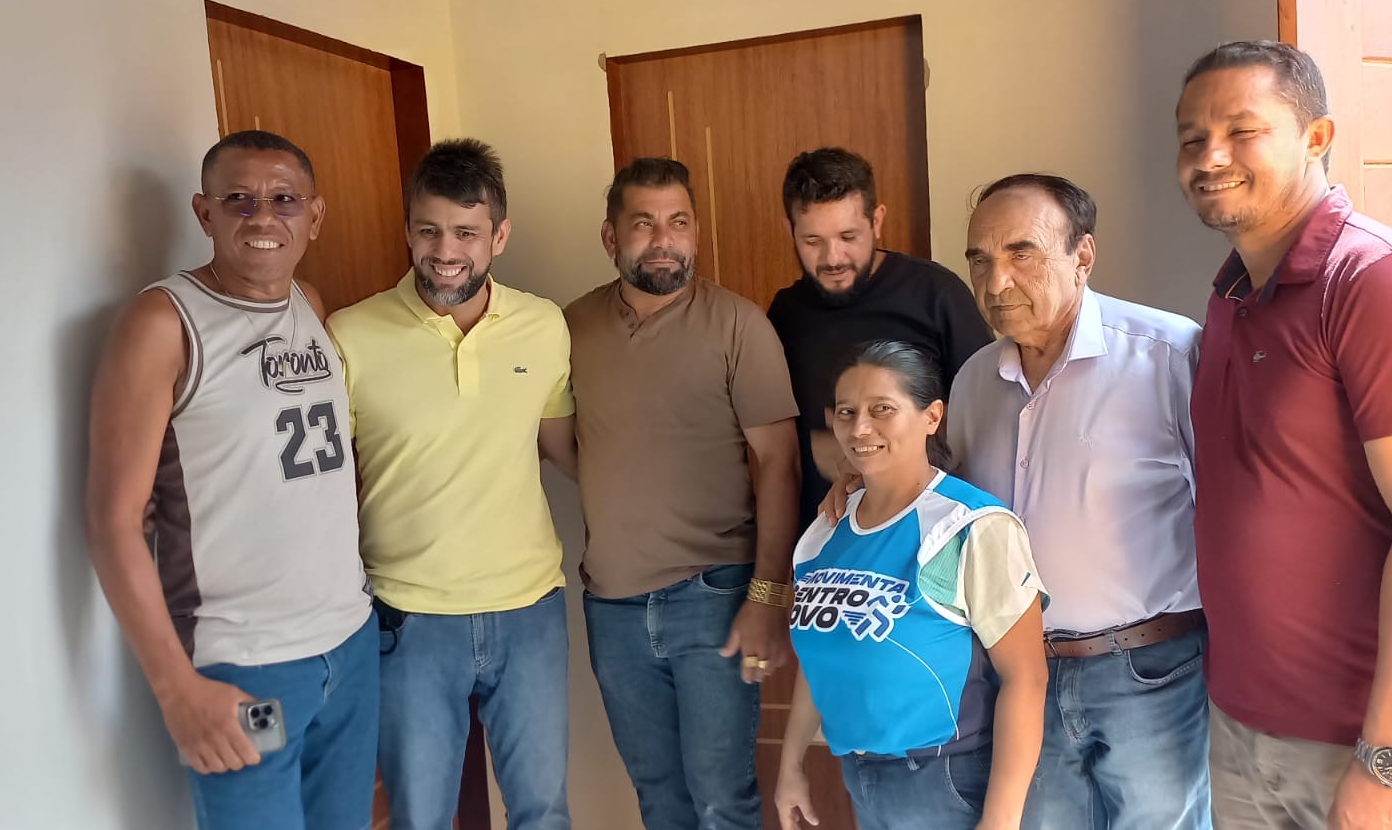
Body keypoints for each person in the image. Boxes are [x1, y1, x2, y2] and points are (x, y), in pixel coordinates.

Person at [1176, 39, 1392, 828]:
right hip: (1246, 731)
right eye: (1191, 138)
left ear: (1316, 137)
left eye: (1242, 131)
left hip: (1377, 743)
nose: (1210, 156)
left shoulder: (1382, 281)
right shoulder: (1230, 297)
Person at [85, 130, 377, 830]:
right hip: (248, 667)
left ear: (315, 215)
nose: (262, 217)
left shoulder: (308, 302)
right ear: (204, 212)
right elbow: (113, 521)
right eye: (239, 200)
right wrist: (175, 689)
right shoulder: (164, 322)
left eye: (284, 200)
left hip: (349, 648)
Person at [326, 139, 576, 830]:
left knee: (544, 813)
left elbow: (566, 448)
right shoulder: (350, 334)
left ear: (500, 235)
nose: (446, 251)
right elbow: (323, 480)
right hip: (408, 617)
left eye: (466, 232)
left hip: (529, 608)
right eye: (429, 230)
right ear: (408, 231)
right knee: (421, 818)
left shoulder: (543, 325)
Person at [954, 174, 1209, 829]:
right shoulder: (974, 381)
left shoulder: (1167, 354)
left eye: (1022, 253)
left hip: (1151, 673)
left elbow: (1233, 509)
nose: (996, 281)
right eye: (980, 260)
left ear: (1083, 255)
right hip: (1022, 679)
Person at [563, 156, 801, 830]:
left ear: (696, 231)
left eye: (679, 222)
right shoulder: (571, 327)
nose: (663, 239)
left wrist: (767, 596)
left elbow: (779, 463)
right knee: (659, 799)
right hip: (612, 604)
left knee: (723, 800)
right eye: (644, 223)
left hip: (714, 597)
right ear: (611, 237)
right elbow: (563, 443)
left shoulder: (738, 325)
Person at [775, 340, 1048, 830]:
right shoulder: (825, 531)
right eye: (846, 412)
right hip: (860, 775)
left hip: (946, 780)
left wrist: (1000, 822)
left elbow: (1026, 679)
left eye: (882, 409)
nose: (860, 428)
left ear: (932, 416)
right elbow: (823, 656)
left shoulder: (971, 526)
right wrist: (790, 764)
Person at [767, 147, 992, 530]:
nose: (833, 257)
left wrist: (874, 453)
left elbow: (988, 413)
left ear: (877, 221)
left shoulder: (936, 294)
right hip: (828, 530)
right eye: (813, 241)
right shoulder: (785, 313)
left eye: (848, 236)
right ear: (790, 230)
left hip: (928, 526)